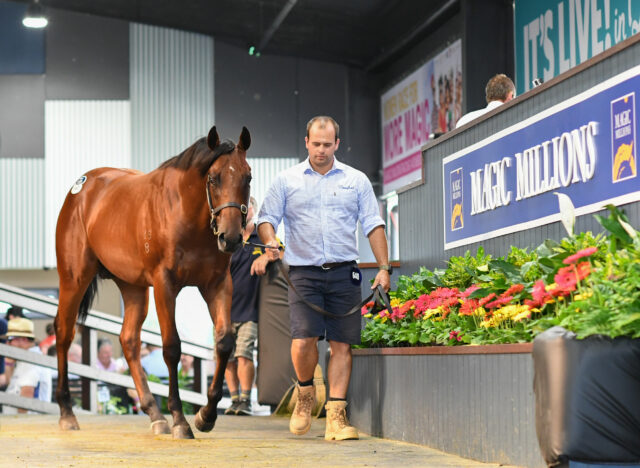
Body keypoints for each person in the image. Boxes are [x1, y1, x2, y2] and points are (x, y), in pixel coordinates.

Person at [258, 115, 391, 441]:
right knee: (303, 340)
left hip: (345, 272)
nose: (320, 150)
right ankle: (305, 393)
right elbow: (266, 219)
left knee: (341, 344)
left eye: (327, 144)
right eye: (315, 144)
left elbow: (373, 224)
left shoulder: (356, 180)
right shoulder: (286, 180)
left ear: (336, 144)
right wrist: (270, 240)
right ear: (306, 142)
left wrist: (384, 267)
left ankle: (336, 416)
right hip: (302, 273)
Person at [224, 196, 278, 416]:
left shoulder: (262, 236)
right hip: (225, 310)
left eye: (246, 208)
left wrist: (266, 257)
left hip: (250, 310)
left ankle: (246, 400)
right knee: (225, 356)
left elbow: (280, 252)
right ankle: (234, 399)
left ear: (253, 210)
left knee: (243, 353)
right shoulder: (228, 239)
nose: (242, 212)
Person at [1, 317, 52, 413]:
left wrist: (19, 426)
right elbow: (10, 384)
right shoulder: (25, 360)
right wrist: (9, 362)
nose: (8, 344)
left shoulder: (31, 362)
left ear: (23, 340)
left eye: (10, 339)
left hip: (23, 425)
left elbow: (25, 401)